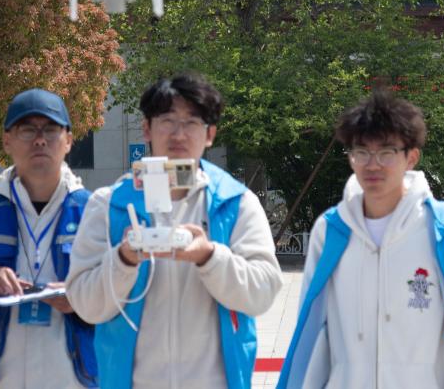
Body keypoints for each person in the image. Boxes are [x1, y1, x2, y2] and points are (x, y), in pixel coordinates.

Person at [278, 90, 444, 389]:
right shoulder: (331, 231)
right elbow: (310, 333)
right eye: (362, 152)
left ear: (411, 157)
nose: (372, 165)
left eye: (386, 152)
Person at [66, 73, 283, 389]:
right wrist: (123, 259)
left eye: (192, 122)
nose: (179, 134)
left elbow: (263, 292)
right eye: (167, 120)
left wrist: (209, 257)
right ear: (146, 128)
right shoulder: (108, 205)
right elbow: (85, 304)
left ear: (210, 134)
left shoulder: (236, 203)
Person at [0, 88, 98, 388]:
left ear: (68, 140)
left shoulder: (94, 213)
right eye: (27, 129)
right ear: (7, 140)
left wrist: (80, 297)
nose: (40, 140)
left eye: (50, 129)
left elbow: (120, 303)